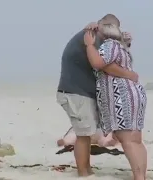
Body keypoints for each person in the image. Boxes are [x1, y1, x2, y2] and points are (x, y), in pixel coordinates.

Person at [56, 14, 138, 177]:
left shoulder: (98, 39)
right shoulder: (92, 37)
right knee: (83, 135)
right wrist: (130, 75)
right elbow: (105, 66)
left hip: (80, 93)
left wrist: (125, 44)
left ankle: (87, 169)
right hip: (75, 93)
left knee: (86, 134)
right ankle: (83, 172)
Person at [84, 24, 147, 180]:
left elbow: (98, 63)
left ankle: (139, 177)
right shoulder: (121, 47)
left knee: (128, 141)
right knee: (135, 140)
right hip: (134, 95)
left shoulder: (109, 46)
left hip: (122, 97)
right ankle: (141, 176)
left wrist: (89, 45)